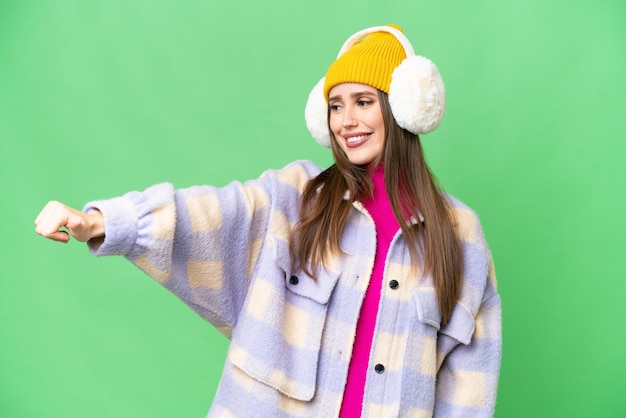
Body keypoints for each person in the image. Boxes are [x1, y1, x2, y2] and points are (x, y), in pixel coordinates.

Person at [35, 24, 501, 417]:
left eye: (363, 101)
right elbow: (211, 213)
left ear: (402, 106)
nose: (345, 121)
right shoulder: (295, 199)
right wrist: (100, 222)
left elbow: (469, 384)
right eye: (335, 105)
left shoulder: (459, 234)